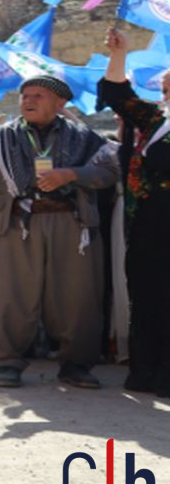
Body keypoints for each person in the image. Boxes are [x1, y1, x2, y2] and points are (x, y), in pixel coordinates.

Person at [0, 75, 119, 388]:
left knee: (77, 296)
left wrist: (72, 174)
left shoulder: (84, 136)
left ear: (60, 103)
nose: (28, 100)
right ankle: (8, 363)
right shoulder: (2, 136)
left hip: (71, 224)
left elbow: (109, 170)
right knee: (12, 294)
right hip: (18, 225)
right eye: (25, 95)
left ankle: (76, 365)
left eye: (38, 95)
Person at [99, 29, 170, 395]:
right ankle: (145, 369)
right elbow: (116, 94)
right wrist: (120, 54)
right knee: (146, 292)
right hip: (148, 222)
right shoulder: (156, 122)